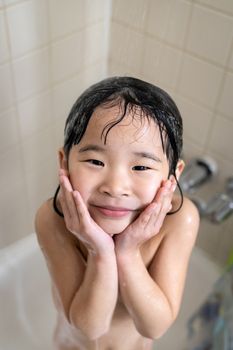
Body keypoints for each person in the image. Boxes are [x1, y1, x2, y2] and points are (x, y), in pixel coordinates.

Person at [35, 76, 199, 350]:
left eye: (141, 167)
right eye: (95, 161)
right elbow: (90, 327)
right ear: (64, 162)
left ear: (173, 174)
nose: (115, 187)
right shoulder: (53, 219)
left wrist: (128, 252)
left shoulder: (180, 220)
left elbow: (154, 326)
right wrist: (99, 251)